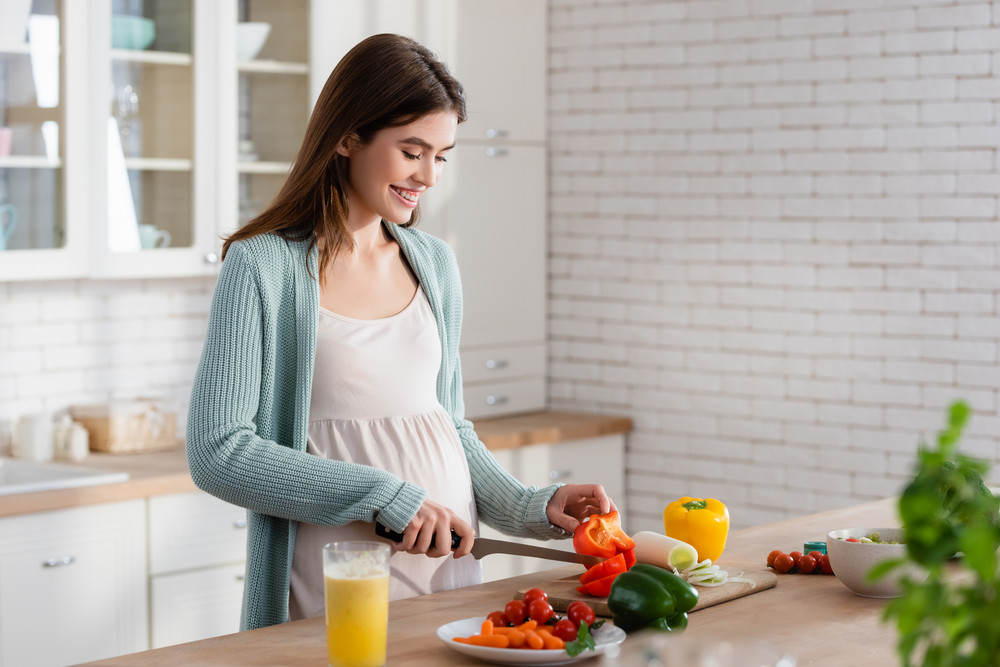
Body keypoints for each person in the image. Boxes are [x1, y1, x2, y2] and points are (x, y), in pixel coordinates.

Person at [186, 33, 617, 631]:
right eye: (412, 151)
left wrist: (530, 504)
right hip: (335, 581)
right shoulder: (262, 267)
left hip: (448, 577)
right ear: (346, 136)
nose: (429, 177)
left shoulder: (434, 264)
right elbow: (218, 452)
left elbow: (446, 424)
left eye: (441, 156)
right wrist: (383, 495)